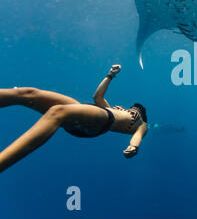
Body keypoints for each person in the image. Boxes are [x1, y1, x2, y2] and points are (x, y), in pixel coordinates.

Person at [0, 65, 148, 173]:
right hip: (93, 112)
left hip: (102, 121)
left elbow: (138, 135)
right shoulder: (115, 109)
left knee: (57, 112)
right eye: (132, 107)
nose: (132, 109)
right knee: (29, 93)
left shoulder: (141, 123)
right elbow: (98, 97)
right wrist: (110, 75)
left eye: (136, 109)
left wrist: (133, 147)